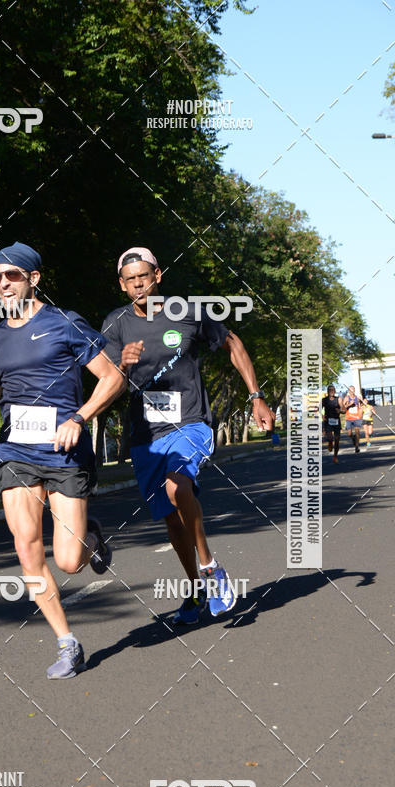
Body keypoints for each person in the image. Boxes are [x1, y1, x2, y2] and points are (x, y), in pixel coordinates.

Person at [102, 247, 275, 625]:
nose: (138, 284)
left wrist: (257, 398)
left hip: (191, 421)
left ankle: (212, 568)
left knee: (177, 488)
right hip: (146, 434)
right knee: (170, 519)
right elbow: (109, 378)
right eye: (130, 280)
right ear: (121, 284)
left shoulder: (187, 311)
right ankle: (196, 590)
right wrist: (121, 365)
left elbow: (233, 344)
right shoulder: (115, 324)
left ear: (158, 275)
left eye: (144, 276)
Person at [0, 242, 125, 679]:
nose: (4, 283)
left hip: (64, 451)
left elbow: (113, 377)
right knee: (26, 547)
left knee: (68, 561)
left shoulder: (64, 324)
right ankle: (67, 642)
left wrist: (80, 417)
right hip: (15, 452)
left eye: (12, 275)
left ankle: (91, 539)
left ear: (33, 279)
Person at [322, 384, 343, 463]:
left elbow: (344, 410)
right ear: (327, 392)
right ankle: (330, 443)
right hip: (328, 421)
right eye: (330, 390)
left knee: (337, 440)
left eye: (333, 390)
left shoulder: (339, 399)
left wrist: (340, 411)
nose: (332, 391)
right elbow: (317, 409)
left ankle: (335, 457)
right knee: (330, 438)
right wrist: (322, 416)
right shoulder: (324, 400)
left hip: (337, 421)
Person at [343, 385, 364, 453]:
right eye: (350, 390)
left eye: (353, 390)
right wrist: (349, 405)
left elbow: (362, 404)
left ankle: (357, 447)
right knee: (349, 433)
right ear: (349, 391)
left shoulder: (357, 398)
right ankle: (353, 438)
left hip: (356, 417)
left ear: (354, 391)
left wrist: (361, 403)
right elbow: (343, 407)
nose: (352, 392)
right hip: (349, 417)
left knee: (357, 431)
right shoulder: (346, 398)